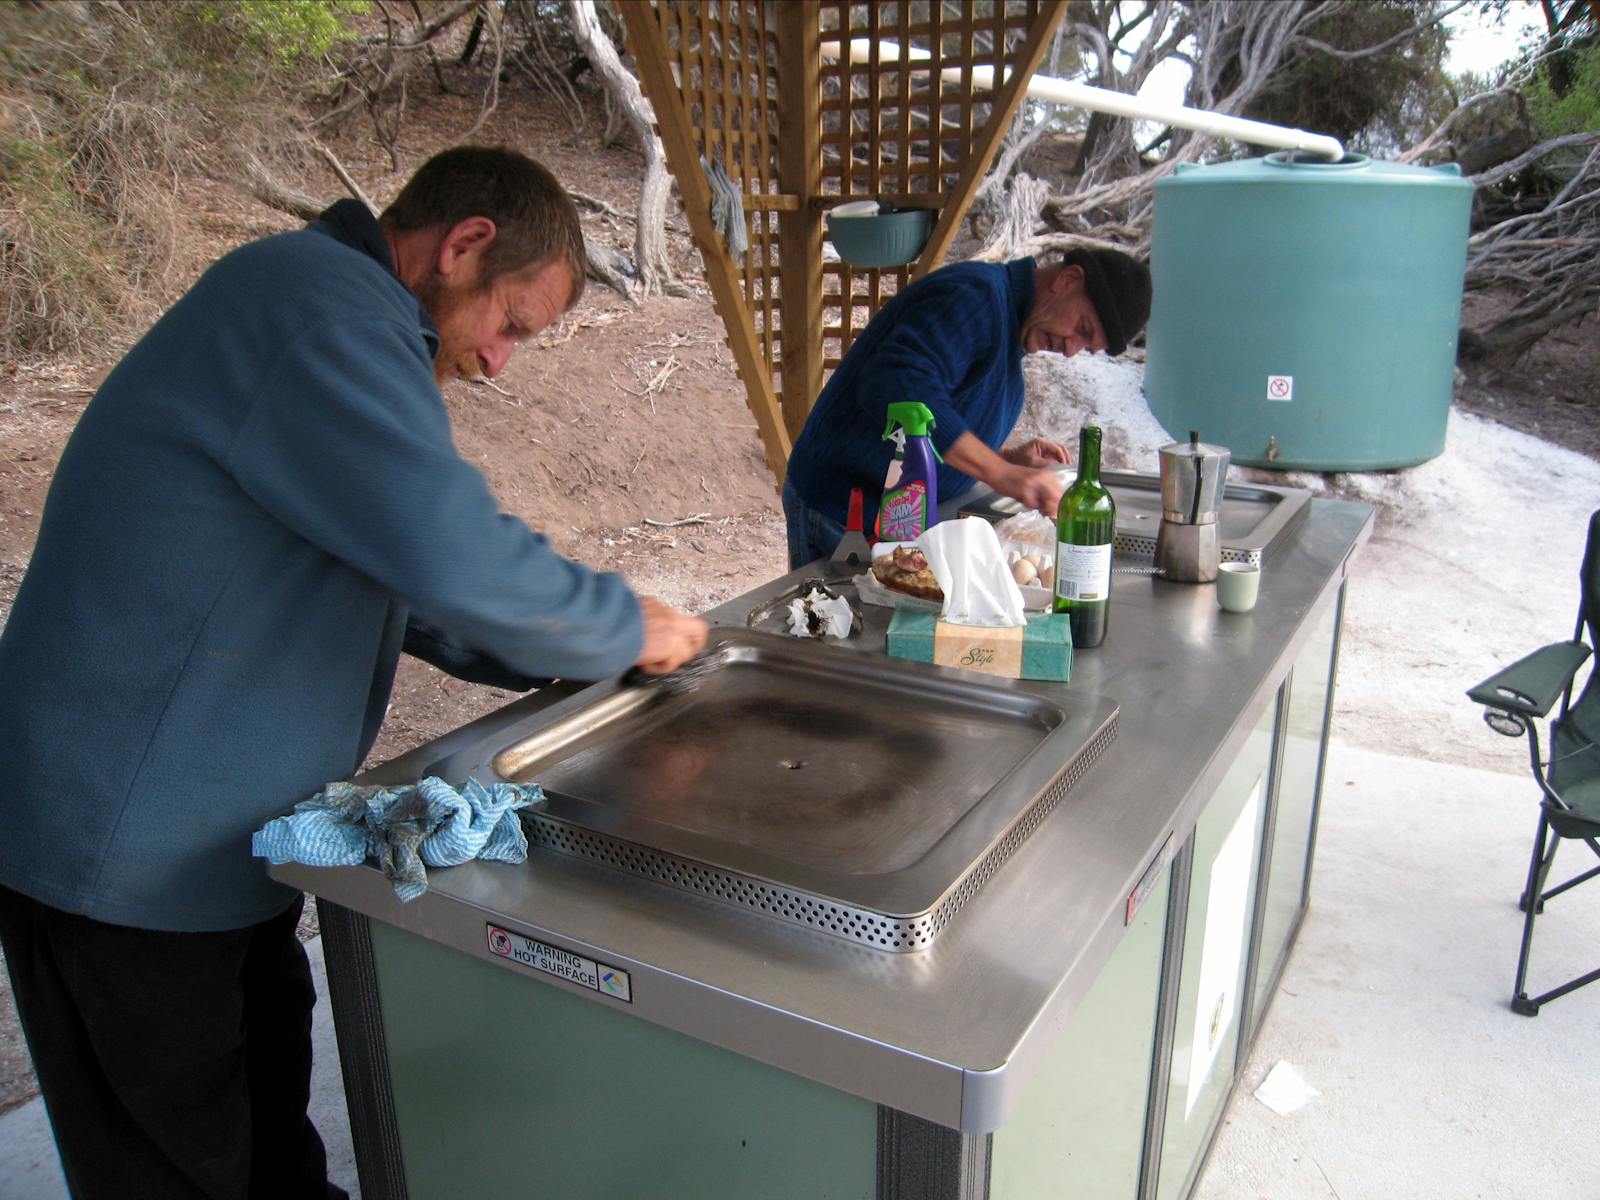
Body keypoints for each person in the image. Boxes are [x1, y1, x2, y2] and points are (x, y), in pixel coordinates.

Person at [0, 145, 707, 1199]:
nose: (500, 362)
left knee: (269, 1132)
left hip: (207, 839)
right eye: (511, 323)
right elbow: (449, 550)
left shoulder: (339, 324)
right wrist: (618, 623)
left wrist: (593, 656)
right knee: (174, 1166)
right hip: (116, 848)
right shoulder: (317, 310)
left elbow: (409, 586)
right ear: (464, 244)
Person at [782, 247, 1152, 568]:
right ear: (1068, 279)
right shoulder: (976, 298)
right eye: (1082, 328)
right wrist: (1000, 474)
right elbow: (897, 385)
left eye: (1086, 348)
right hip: (844, 512)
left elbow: (936, 424)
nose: (1071, 350)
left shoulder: (1010, 331)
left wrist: (1005, 458)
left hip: (897, 520)